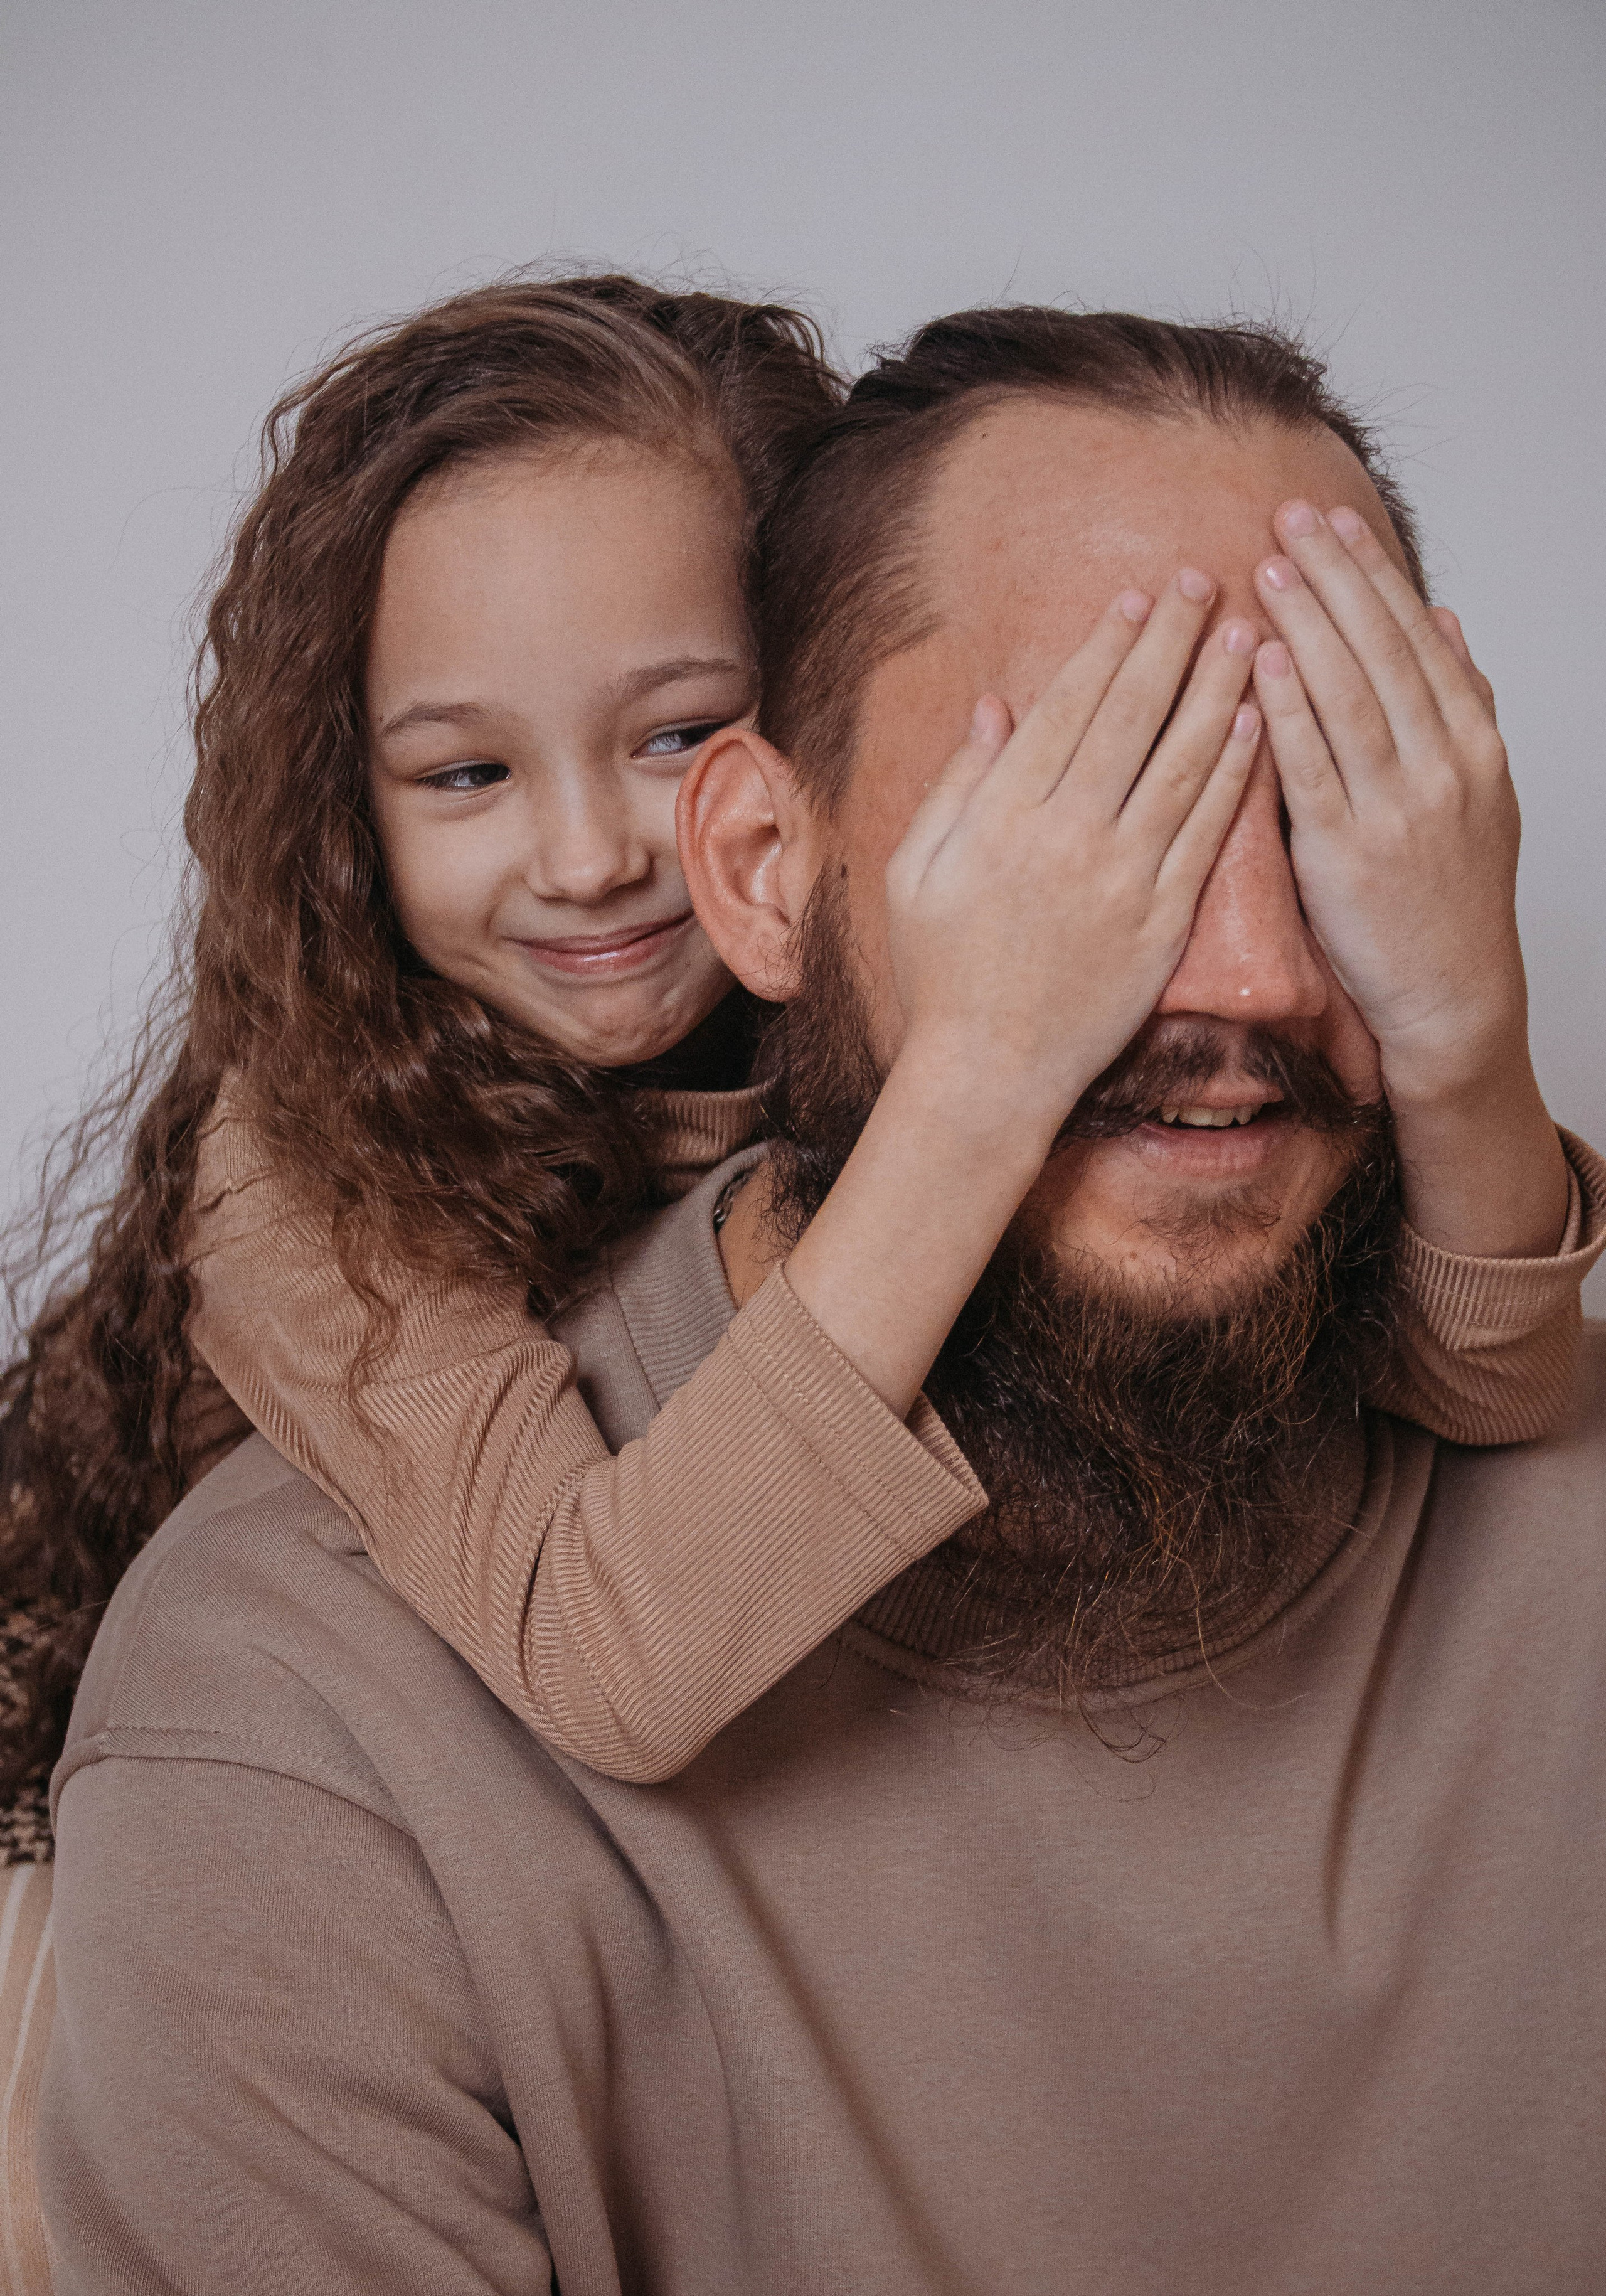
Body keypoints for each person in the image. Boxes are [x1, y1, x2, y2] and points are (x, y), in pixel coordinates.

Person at [38, 308, 1605, 2293]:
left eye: (1305, 804)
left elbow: (1495, 1368)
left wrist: (1464, 1034)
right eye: (1082, 821)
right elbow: (607, 1647)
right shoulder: (311, 1217)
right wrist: (991, 1061)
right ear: (776, 858)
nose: (598, 859)